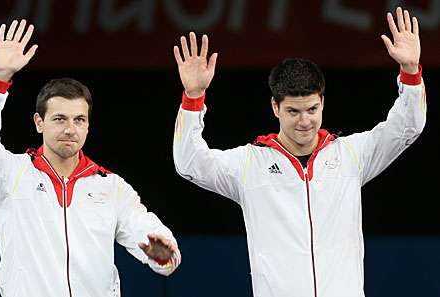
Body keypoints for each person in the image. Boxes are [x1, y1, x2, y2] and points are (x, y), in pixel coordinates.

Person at [172, 7, 425, 297]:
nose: (305, 121)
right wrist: (193, 98)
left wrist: (410, 72)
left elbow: (407, 126)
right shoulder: (249, 164)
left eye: (312, 109)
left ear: (322, 104)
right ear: (275, 107)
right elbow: (189, 163)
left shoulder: (351, 155)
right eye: (293, 111)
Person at [0, 19, 181, 297]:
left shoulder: (110, 187)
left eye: (79, 120)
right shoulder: (9, 173)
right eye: (59, 119)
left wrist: (162, 253)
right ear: (39, 122)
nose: (69, 129)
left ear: (88, 125)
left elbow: (154, 242)